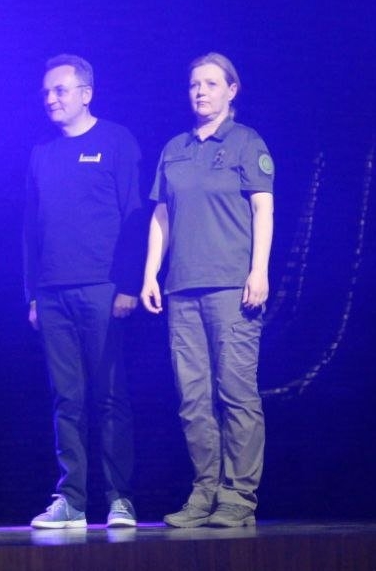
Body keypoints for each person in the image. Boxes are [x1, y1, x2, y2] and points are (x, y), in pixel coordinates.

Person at [141, 52, 274, 528]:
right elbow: (161, 215)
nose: (200, 91)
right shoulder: (175, 148)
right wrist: (150, 274)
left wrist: (259, 271)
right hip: (182, 290)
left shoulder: (245, 142)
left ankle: (238, 496)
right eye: (195, 84)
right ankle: (205, 492)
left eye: (211, 83)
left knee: (236, 393)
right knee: (192, 399)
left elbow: (263, 209)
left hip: (232, 289)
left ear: (231, 90)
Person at [24, 54, 144, 529]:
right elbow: (29, 229)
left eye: (60, 90)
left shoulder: (115, 140)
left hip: (102, 290)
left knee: (111, 397)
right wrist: (33, 295)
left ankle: (120, 499)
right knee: (66, 400)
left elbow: (134, 216)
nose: (51, 99)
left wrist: (129, 285)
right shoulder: (42, 152)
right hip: (53, 294)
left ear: (86, 94)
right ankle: (71, 501)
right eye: (46, 92)